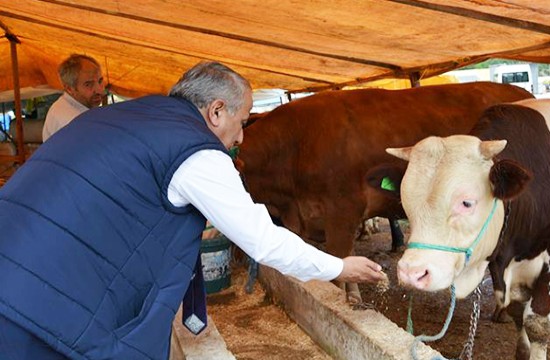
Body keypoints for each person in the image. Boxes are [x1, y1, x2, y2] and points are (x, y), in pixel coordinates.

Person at [0, 61, 384, 359]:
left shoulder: (129, 115)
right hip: (37, 304)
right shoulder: (195, 150)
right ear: (216, 111)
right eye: (243, 121)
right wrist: (339, 266)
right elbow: (263, 242)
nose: (241, 136)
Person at [41, 54, 105, 141]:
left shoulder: (68, 106)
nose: (99, 90)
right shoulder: (73, 121)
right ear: (69, 88)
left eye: (100, 81)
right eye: (88, 84)